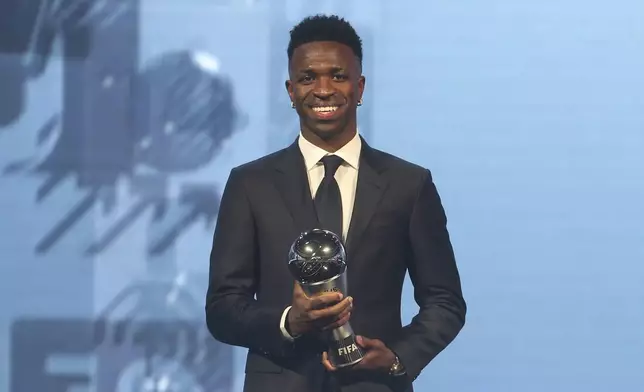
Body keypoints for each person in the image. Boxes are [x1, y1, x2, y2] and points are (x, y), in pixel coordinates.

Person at [206, 14, 466, 392]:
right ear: (291, 90)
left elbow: (445, 302)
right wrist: (289, 321)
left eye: (338, 76)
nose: (323, 89)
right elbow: (223, 309)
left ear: (360, 88)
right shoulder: (251, 184)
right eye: (308, 77)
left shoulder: (408, 184)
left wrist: (397, 358)